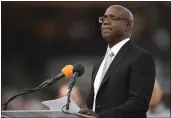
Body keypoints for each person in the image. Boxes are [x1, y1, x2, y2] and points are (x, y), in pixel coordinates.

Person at [79, 5, 156, 118]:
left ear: (128, 26)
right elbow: (95, 105)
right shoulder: (98, 64)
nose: (105, 22)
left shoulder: (141, 57)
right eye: (104, 19)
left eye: (113, 18)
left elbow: (138, 104)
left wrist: (101, 116)